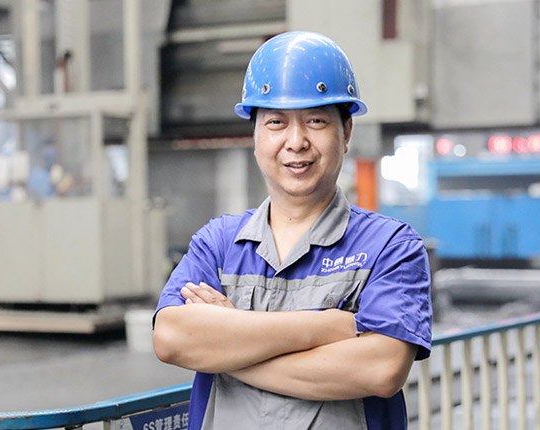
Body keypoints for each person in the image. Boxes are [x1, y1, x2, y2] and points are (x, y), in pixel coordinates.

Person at [153, 31, 432, 430]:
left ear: (346, 132)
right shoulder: (218, 243)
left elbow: (381, 370)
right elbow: (171, 339)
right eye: (276, 123)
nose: (296, 142)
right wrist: (328, 326)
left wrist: (228, 349)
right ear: (255, 136)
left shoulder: (390, 246)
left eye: (316, 121)